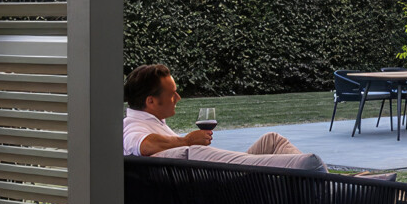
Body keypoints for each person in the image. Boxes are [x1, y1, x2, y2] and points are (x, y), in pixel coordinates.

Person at [122, 64, 307, 161]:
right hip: (221, 185)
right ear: (150, 101)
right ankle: (327, 192)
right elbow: (141, 145)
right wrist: (187, 141)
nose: (178, 98)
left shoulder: (153, 122)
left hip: (217, 175)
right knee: (287, 151)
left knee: (272, 141)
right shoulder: (133, 127)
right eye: (172, 94)